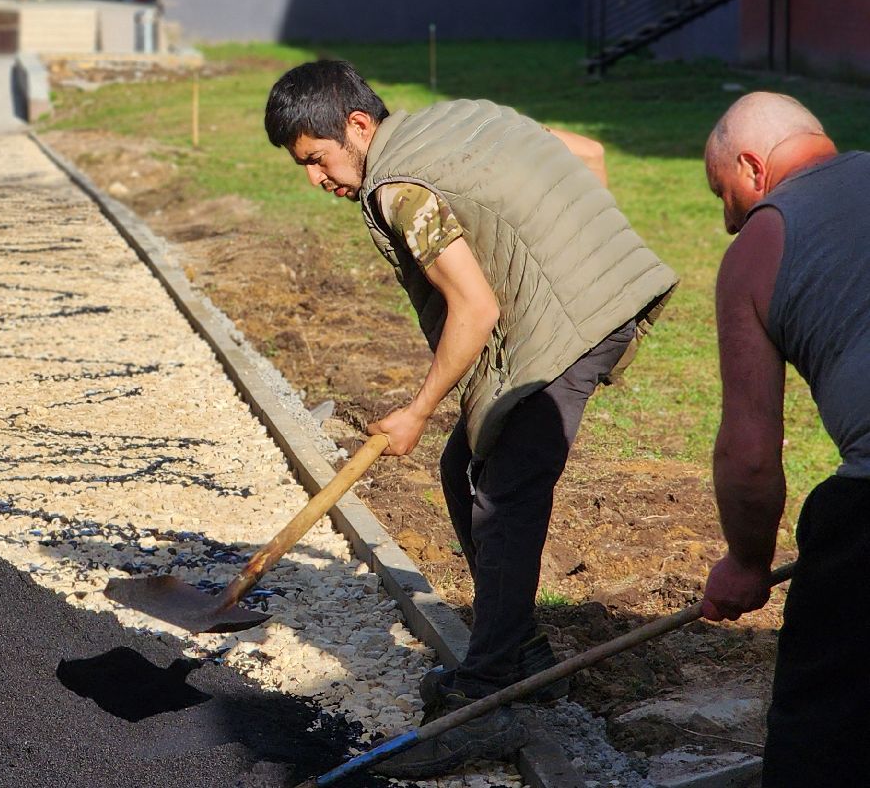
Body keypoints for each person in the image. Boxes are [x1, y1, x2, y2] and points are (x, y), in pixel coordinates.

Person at [262, 61, 676, 777]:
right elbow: (585, 152)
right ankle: (523, 657)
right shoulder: (446, 124)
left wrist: (416, 410)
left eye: (318, 159)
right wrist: (581, 263)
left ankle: (484, 701)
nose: (316, 179)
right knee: (463, 466)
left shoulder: (399, 189)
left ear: (356, 126)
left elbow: (476, 309)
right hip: (587, 307)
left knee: (504, 495)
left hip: (573, 328)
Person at [700, 92, 867, 787]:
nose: (728, 219)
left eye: (725, 194)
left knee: (825, 728)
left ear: (752, 166)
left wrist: (746, 562)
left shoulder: (761, 244)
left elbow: (749, 459)